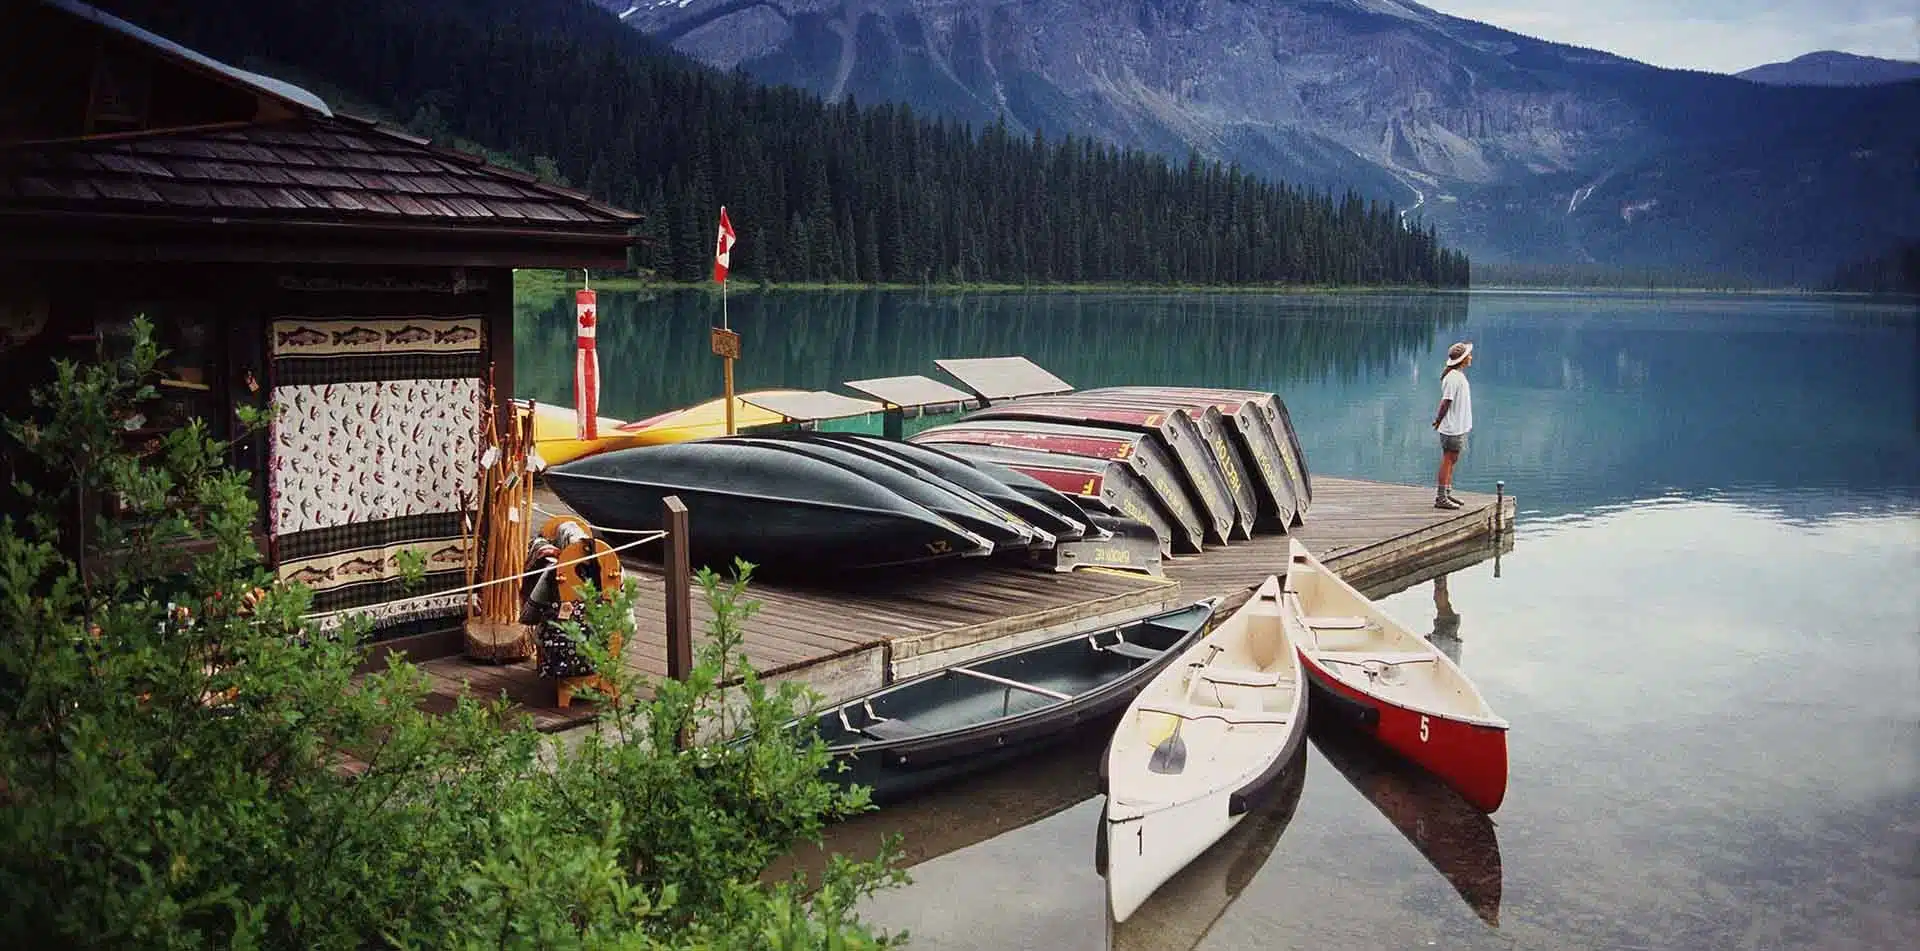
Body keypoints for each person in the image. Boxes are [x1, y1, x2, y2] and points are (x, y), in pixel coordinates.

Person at [1431, 341, 1473, 509]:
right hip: (1452, 427)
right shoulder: (1453, 378)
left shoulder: (1457, 375)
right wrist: (1439, 420)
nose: (1471, 357)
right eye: (1468, 355)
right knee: (1448, 459)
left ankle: (1447, 492)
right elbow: (1445, 402)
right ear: (1462, 359)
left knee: (1453, 458)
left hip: (1458, 425)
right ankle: (1441, 497)